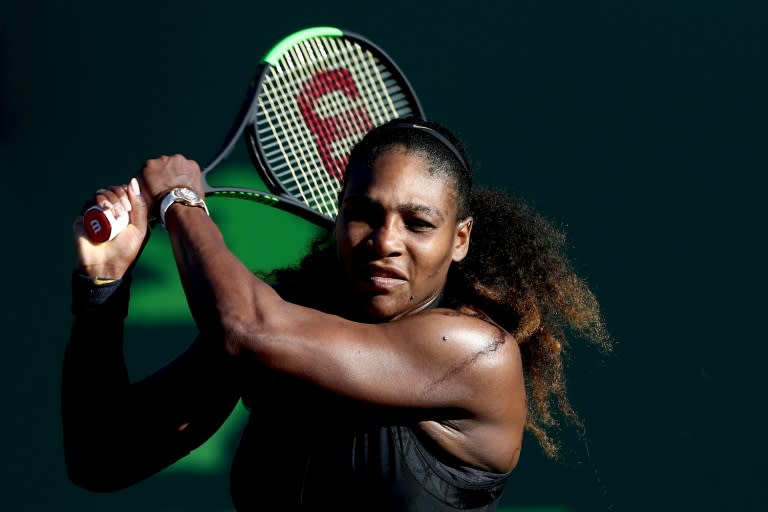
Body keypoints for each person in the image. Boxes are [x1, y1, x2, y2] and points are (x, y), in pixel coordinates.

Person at [62, 117, 611, 511]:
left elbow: (245, 328)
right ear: (338, 214)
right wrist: (101, 287)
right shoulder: (285, 321)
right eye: (364, 214)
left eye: (418, 223)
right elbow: (101, 458)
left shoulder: (476, 352)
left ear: (460, 239)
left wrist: (180, 201)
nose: (385, 242)